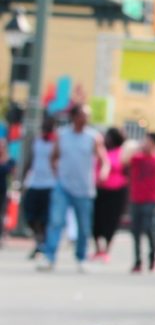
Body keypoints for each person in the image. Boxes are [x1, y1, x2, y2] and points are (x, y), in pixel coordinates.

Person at [37, 104, 109, 272]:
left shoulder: (93, 137)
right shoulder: (62, 135)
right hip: (63, 186)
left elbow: (104, 160)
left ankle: (81, 257)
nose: (86, 119)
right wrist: (57, 175)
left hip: (84, 189)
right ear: (75, 117)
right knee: (56, 222)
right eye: (83, 115)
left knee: (84, 226)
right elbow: (53, 157)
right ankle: (49, 257)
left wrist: (103, 173)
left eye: (88, 116)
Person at [127, 132, 155, 273]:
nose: (146, 143)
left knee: (151, 229)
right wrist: (137, 147)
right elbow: (124, 161)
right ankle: (137, 261)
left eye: (149, 141)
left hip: (151, 198)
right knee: (136, 231)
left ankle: (153, 257)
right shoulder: (137, 158)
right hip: (136, 198)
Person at [23, 116, 57, 259]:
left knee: (45, 218)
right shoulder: (35, 140)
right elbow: (30, 160)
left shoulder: (57, 142)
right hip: (34, 183)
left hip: (50, 184)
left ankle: (42, 244)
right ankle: (39, 241)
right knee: (30, 215)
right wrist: (22, 179)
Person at [91, 127, 128, 261]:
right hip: (100, 190)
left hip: (117, 192)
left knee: (111, 221)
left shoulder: (123, 154)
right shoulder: (102, 151)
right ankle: (97, 249)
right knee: (96, 220)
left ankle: (106, 250)